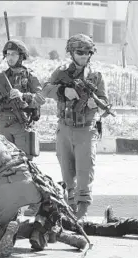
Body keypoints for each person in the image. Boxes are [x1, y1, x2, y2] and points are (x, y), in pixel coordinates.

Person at [0, 127, 88, 257]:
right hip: (30, 184)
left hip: (3, 194)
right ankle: (42, 231)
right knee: (52, 198)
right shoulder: (2, 142)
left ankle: (4, 233)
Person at [41, 34, 109, 221]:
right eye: (79, 52)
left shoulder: (95, 76)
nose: (84, 56)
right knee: (66, 170)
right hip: (64, 127)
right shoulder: (61, 72)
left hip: (86, 129)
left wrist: (96, 104)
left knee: (85, 170)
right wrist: (63, 91)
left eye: (88, 53)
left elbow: (104, 100)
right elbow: (45, 89)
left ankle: (82, 210)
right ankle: (69, 206)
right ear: (71, 52)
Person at [0, 39, 45, 159]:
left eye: (13, 54)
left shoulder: (30, 76)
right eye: (8, 54)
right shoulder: (0, 78)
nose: (10, 57)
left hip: (22, 123)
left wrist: (23, 96)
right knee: (4, 163)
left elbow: (41, 98)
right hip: (4, 124)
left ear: (21, 56)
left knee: (24, 162)